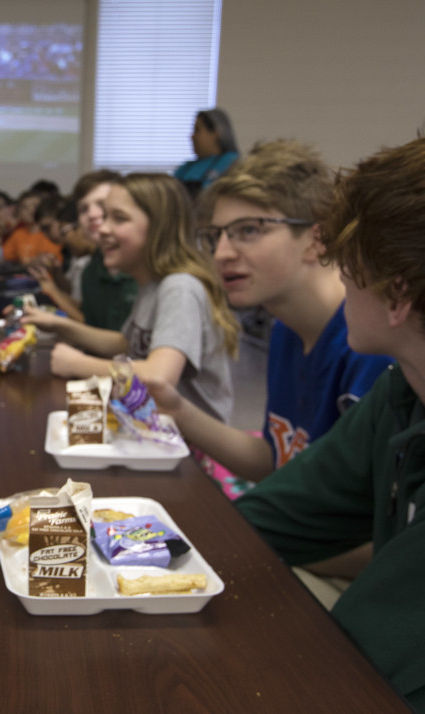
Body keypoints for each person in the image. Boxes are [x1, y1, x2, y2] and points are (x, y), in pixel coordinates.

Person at [235, 136, 425, 710]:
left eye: (350, 263)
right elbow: (272, 518)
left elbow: (358, 671)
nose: (340, 278)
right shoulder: (401, 391)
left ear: (397, 293)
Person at [149, 140, 392, 498]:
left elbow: (374, 532)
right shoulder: (286, 330)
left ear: (317, 239)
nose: (222, 253)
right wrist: (178, 411)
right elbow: (276, 463)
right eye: (215, 236)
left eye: (249, 230)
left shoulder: (371, 345)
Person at [23, 173, 238, 424]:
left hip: (190, 451)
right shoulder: (151, 285)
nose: (102, 228)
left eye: (119, 218)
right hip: (149, 427)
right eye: (105, 217)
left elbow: (158, 376)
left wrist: (78, 364)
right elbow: (125, 344)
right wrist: (60, 325)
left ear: (159, 227)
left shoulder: (179, 287)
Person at [30, 171, 137, 330]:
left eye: (102, 204)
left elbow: (121, 342)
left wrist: (54, 295)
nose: (92, 214)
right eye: (84, 209)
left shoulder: (137, 266)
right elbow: (97, 327)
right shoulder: (93, 269)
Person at [174, 108, 239, 199]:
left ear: (216, 132)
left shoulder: (233, 163)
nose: (192, 136)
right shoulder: (185, 168)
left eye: (197, 130)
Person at [2, 189, 63, 265]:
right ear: (19, 212)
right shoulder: (18, 234)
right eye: (25, 207)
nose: (30, 210)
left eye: (34, 205)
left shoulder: (49, 232)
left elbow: (55, 260)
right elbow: (2, 257)